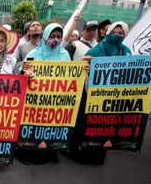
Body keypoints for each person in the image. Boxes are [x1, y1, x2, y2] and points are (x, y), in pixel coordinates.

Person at [66, 21, 131, 166]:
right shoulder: (95, 51)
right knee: (86, 125)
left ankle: (98, 155)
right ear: (108, 33)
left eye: (121, 33)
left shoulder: (126, 52)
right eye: (115, 32)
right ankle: (80, 153)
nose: (118, 36)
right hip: (90, 95)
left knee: (104, 126)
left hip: (113, 98)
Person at [18, 23, 71, 165]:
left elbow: (70, 76)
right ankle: (28, 154)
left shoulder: (65, 55)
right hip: (35, 99)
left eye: (59, 37)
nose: (55, 39)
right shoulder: (34, 54)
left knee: (51, 126)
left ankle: (51, 153)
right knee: (33, 126)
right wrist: (25, 72)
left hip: (55, 100)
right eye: (52, 36)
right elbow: (22, 73)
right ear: (45, 36)